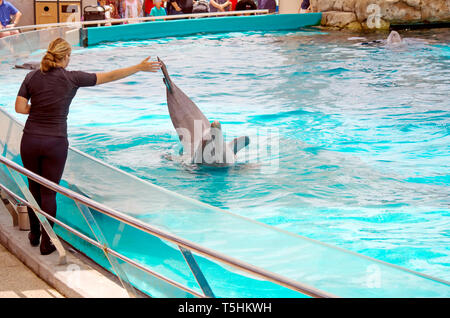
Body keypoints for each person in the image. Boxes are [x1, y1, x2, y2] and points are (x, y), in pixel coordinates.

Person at [15, 38, 161, 255]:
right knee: (49, 193)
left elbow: (19, 108)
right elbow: (110, 76)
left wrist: (38, 110)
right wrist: (139, 68)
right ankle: (47, 244)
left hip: (31, 140)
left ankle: (34, 235)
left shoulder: (31, 76)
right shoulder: (72, 78)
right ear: (65, 57)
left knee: (33, 188)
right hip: (55, 142)